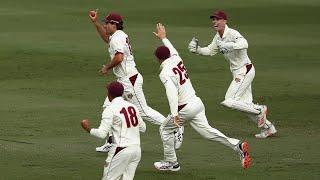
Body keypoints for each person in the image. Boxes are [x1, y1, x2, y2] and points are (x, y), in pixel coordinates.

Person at [152, 23, 251, 171]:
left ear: (158, 59)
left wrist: (174, 114)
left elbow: (171, 93)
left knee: (164, 129)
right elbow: (172, 49)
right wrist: (164, 38)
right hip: (197, 103)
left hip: (185, 107)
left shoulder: (165, 72)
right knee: (207, 132)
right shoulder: (176, 58)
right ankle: (237, 145)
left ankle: (172, 162)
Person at [88, 10, 184, 152]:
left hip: (129, 81)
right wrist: (95, 23)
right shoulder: (118, 35)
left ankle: (175, 126)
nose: (105, 25)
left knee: (143, 112)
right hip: (123, 80)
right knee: (108, 107)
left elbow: (119, 57)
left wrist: (106, 68)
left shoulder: (117, 38)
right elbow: (106, 39)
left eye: (106, 23)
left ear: (114, 25)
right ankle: (111, 140)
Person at [188, 10, 277, 138]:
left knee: (229, 101)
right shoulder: (218, 37)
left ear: (225, 21)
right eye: (213, 19)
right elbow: (210, 51)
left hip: (245, 70)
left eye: (218, 19)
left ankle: (260, 109)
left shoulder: (232, 33)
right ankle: (268, 128)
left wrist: (230, 45)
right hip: (238, 72)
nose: (215, 22)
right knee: (245, 107)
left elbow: (244, 43)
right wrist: (197, 50)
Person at [81, 81, 146, 180]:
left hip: (121, 150)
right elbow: (143, 128)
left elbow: (102, 134)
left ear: (109, 94)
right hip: (136, 150)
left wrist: (88, 129)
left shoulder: (110, 109)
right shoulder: (132, 107)